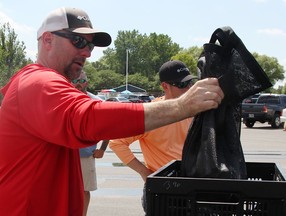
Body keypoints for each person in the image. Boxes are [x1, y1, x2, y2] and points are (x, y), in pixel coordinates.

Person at [0, 7, 224, 216]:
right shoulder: (38, 81)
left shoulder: (41, 83)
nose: (86, 53)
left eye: (90, 46)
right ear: (47, 39)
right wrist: (182, 106)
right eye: (78, 41)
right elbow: (88, 118)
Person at [109, 60, 197, 213]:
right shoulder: (151, 114)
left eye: (190, 83)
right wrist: (144, 172)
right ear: (165, 86)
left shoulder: (194, 111)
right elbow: (117, 143)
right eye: (182, 85)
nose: (188, 88)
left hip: (191, 186)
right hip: (162, 190)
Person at [71, 70, 109, 216]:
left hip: (85, 155)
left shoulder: (97, 102)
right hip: (64, 154)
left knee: (84, 191)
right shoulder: (64, 99)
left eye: (81, 81)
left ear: (87, 82)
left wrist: (103, 149)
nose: (78, 84)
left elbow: (108, 128)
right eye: (75, 81)